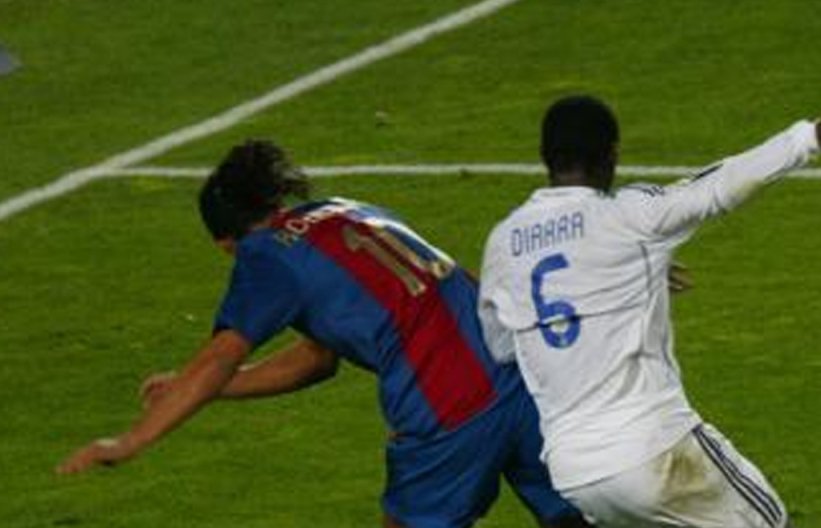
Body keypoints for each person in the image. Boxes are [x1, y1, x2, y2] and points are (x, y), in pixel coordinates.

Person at [57, 140, 591, 528]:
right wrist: (201, 388)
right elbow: (317, 358)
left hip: (445, 409)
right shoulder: (345, 213)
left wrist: (130, 441)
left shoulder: (265, 256)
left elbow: (221, 354)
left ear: (225, 243)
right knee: (578, 518)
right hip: (520, 378)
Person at [477, 94, 821, 528]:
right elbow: (718, 186)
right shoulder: (630, 215)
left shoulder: (503, 242)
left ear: (545, 156)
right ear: (612, 155)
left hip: (575, 474)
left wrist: (602, 285)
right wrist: (813, 136)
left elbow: (502, 345)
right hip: (654, 450)